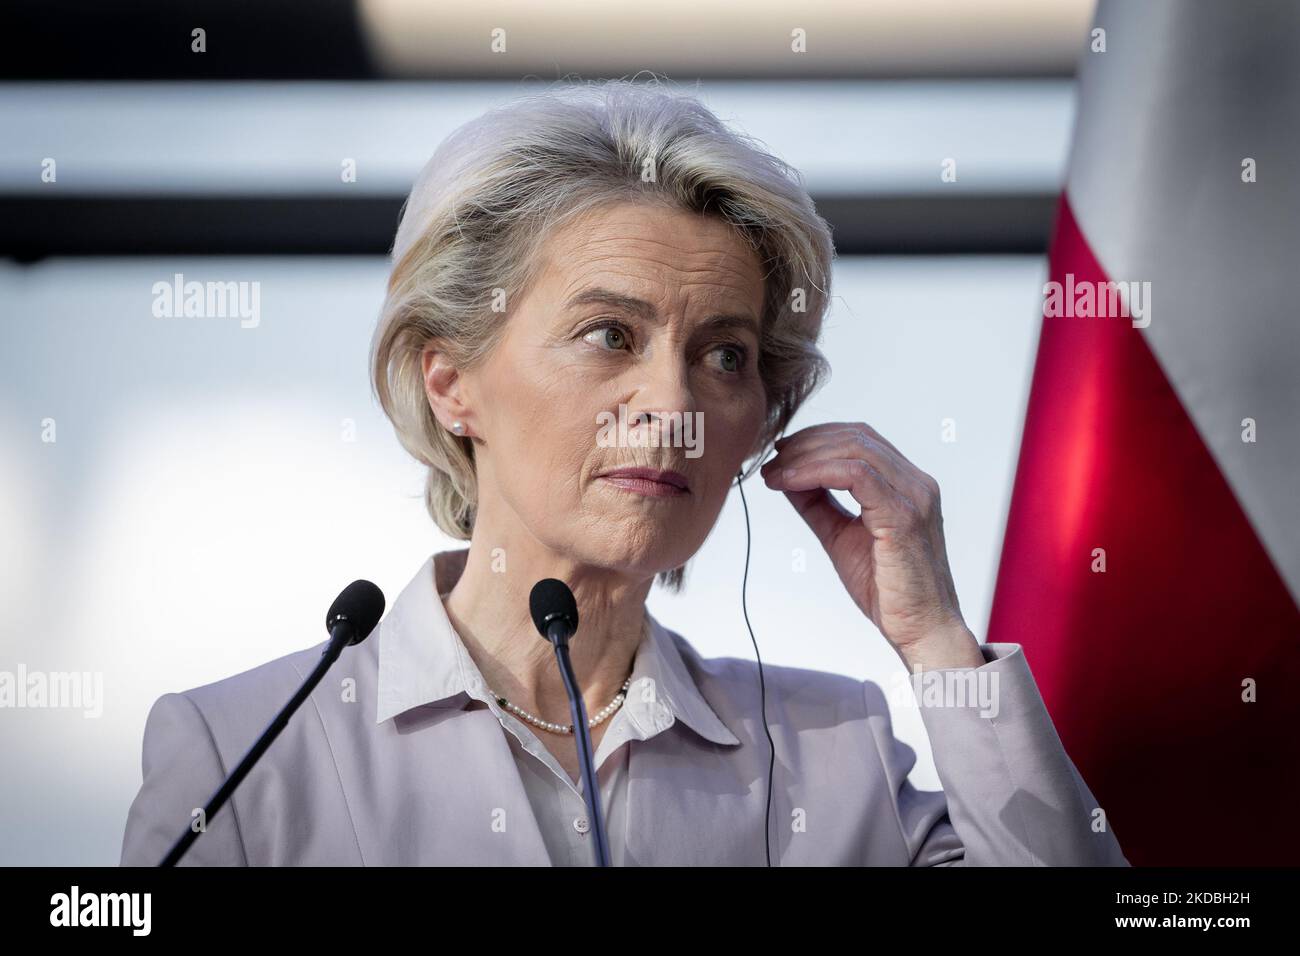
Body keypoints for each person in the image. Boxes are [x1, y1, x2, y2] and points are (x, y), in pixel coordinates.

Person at [120, 78, 1128, 866]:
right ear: (451, 381)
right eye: (609, 333)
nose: (674, 407)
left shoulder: (834, 744)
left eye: (725, 354)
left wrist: (936, 640)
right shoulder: (242, 749)